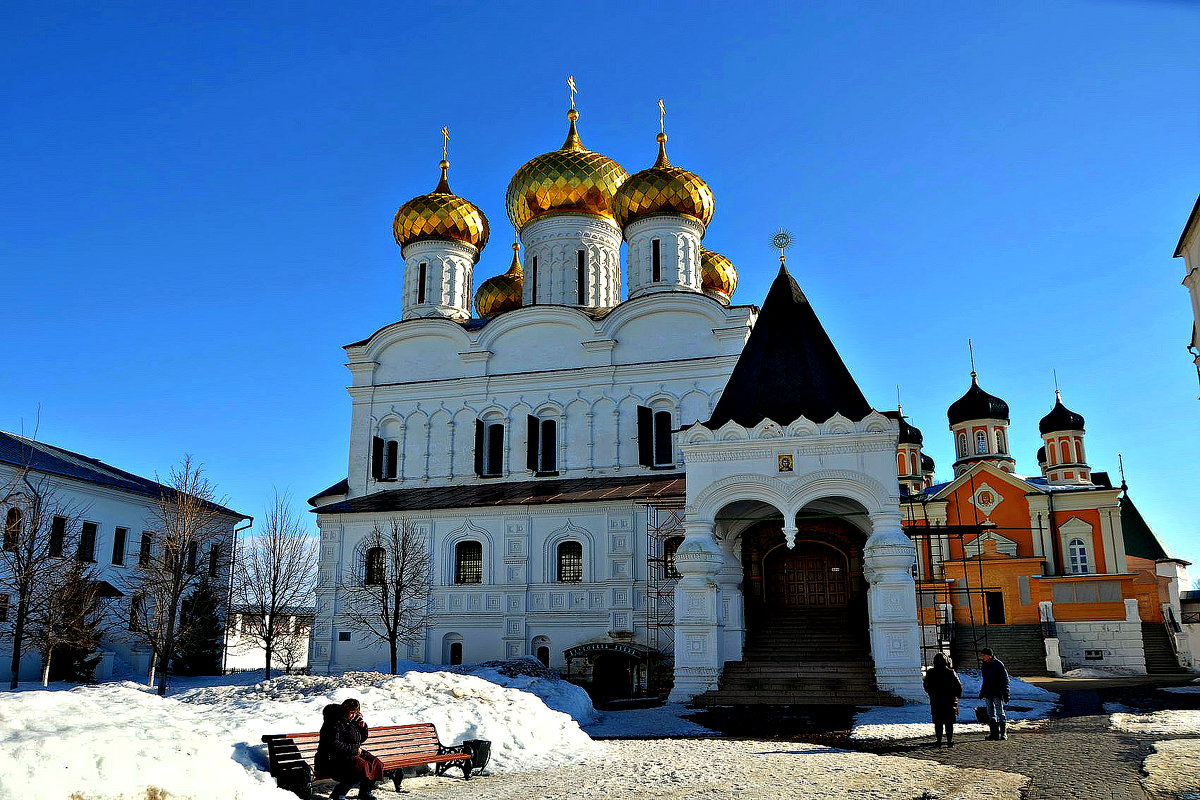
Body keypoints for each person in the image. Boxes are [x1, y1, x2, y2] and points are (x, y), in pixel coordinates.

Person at [315, 698, 384, 800]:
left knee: (376, 763)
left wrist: (362, 727)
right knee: (361, 766)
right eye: (351, 713)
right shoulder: (334, 722)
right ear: (345, 710)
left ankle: (365, 792)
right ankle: (338, 794)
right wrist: (355, 750)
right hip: (333, 759)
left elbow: (359, 740)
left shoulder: (351, 721)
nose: (353, 716)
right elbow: (334, 744)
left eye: (355, 713)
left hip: (349, 755)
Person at [922, 652, 963, 747]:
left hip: (936, 701)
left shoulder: (931, 673)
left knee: (938, 722)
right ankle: (949, 741)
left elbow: (926, 685)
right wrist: (956, 696)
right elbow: (958, 687)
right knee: (949, 723)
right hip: (949, 701)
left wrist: (932, 694)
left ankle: (939, 741)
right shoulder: (950, 672)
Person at [978, 647, 1010, 741]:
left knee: (1000, 712)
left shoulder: (998, 664)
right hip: (988, 692)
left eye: (984, 655)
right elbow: (985, 680)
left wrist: (1006, 692)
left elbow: (1005, 679)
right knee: (990, 713)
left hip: (997, 692)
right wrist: (982, 691)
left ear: (989, 655)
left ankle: (1003, 733)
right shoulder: (985, 665)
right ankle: (994, 733)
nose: (982, 657)